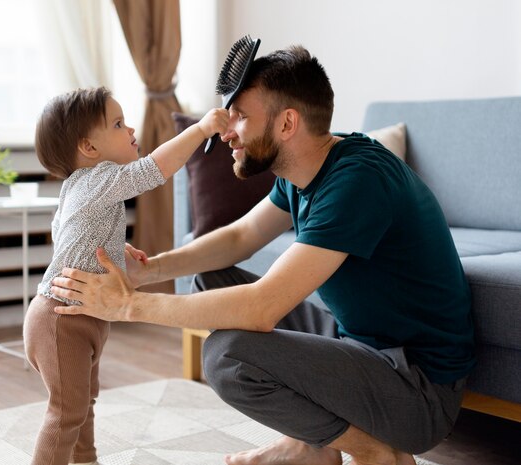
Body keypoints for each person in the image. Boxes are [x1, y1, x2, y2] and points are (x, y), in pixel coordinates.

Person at [50, 47, 475, 465]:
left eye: (240, 117)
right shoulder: (308, 167)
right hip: (362, 346)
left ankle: (370, 450)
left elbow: (262, 309)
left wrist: (128, 304)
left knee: (226, 357)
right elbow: (241, 236)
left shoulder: (357, 181)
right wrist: (149, 270)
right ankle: (313, 444)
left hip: (414, 389)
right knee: (210, 279)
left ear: (287, 123)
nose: (227, 131)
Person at [23, 85, 228, 465]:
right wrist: (200, 130)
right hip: (62, 319)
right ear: (89, 148)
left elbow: (72, 236)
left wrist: (115, 252)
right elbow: (156, 169)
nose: (131, 129)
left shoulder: (77, 189)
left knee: (82, 404)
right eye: (118, 124)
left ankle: (86, 461)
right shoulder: (99, 178)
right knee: (66, 413)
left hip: (80, 315)